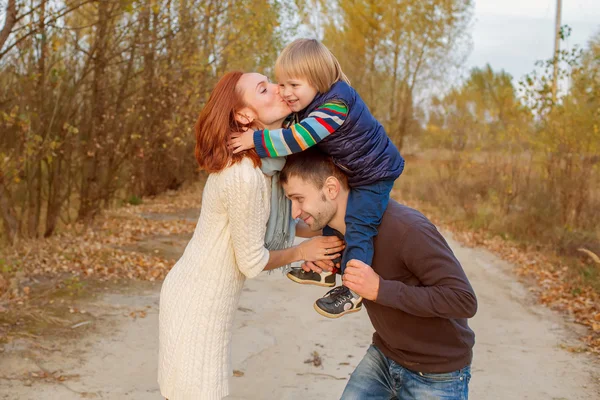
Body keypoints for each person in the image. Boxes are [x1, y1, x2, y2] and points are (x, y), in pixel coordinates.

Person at [157, 72, 344, 400]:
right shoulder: (243, 177)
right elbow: (253, 261)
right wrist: (304, 252)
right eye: (264, 88)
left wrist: (334, 229)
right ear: (244, 116)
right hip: (197, 303)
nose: (278, 89)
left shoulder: (260, 167)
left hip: (203, 297)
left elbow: (271, 225)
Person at [280, 149, 477, 400]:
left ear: (331, 189)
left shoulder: (408, 229)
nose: (295, 212)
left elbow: (463, 300)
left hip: (438, 372)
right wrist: (335, 266)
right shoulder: (342, 231)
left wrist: (379, 289)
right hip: (385, 355)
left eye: (299, 199)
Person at [230, 38, 405, 318]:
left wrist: (257, 139)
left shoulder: (336, 105)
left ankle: (354, 289)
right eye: (282, 84)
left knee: (359, 225)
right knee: (330, 223)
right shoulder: (314, 103)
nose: (285, 92)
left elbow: (299, 138)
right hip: (354, 168)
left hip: (375, 173)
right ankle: (327, 269)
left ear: (318, 80)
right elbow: (294, 128)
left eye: (293, 85)